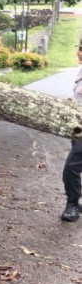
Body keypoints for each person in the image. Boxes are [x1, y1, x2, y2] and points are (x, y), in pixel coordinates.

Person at [61, 45, 82, 222]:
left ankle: (73, 204)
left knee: (71, 167)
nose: (80, 53)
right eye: (80, 48)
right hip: (78, 126)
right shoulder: (81, 70)